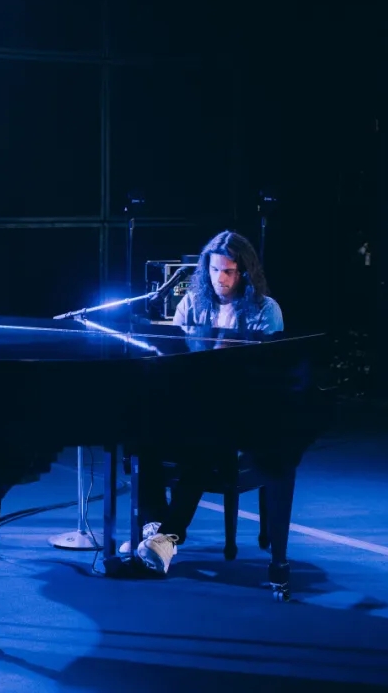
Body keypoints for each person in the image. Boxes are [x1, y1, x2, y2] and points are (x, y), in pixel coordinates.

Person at [130, 229, 284, 575]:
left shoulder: (265, 309)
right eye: (214, 270)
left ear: (245, 272)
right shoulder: (192, 303)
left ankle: (167, 536)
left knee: (204, 443)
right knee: (138, 433)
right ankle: (155, 528)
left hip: (241, 412)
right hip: (193, 405)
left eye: (229, 271)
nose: (220, 279)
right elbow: (173, 357)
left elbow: (270, 374)